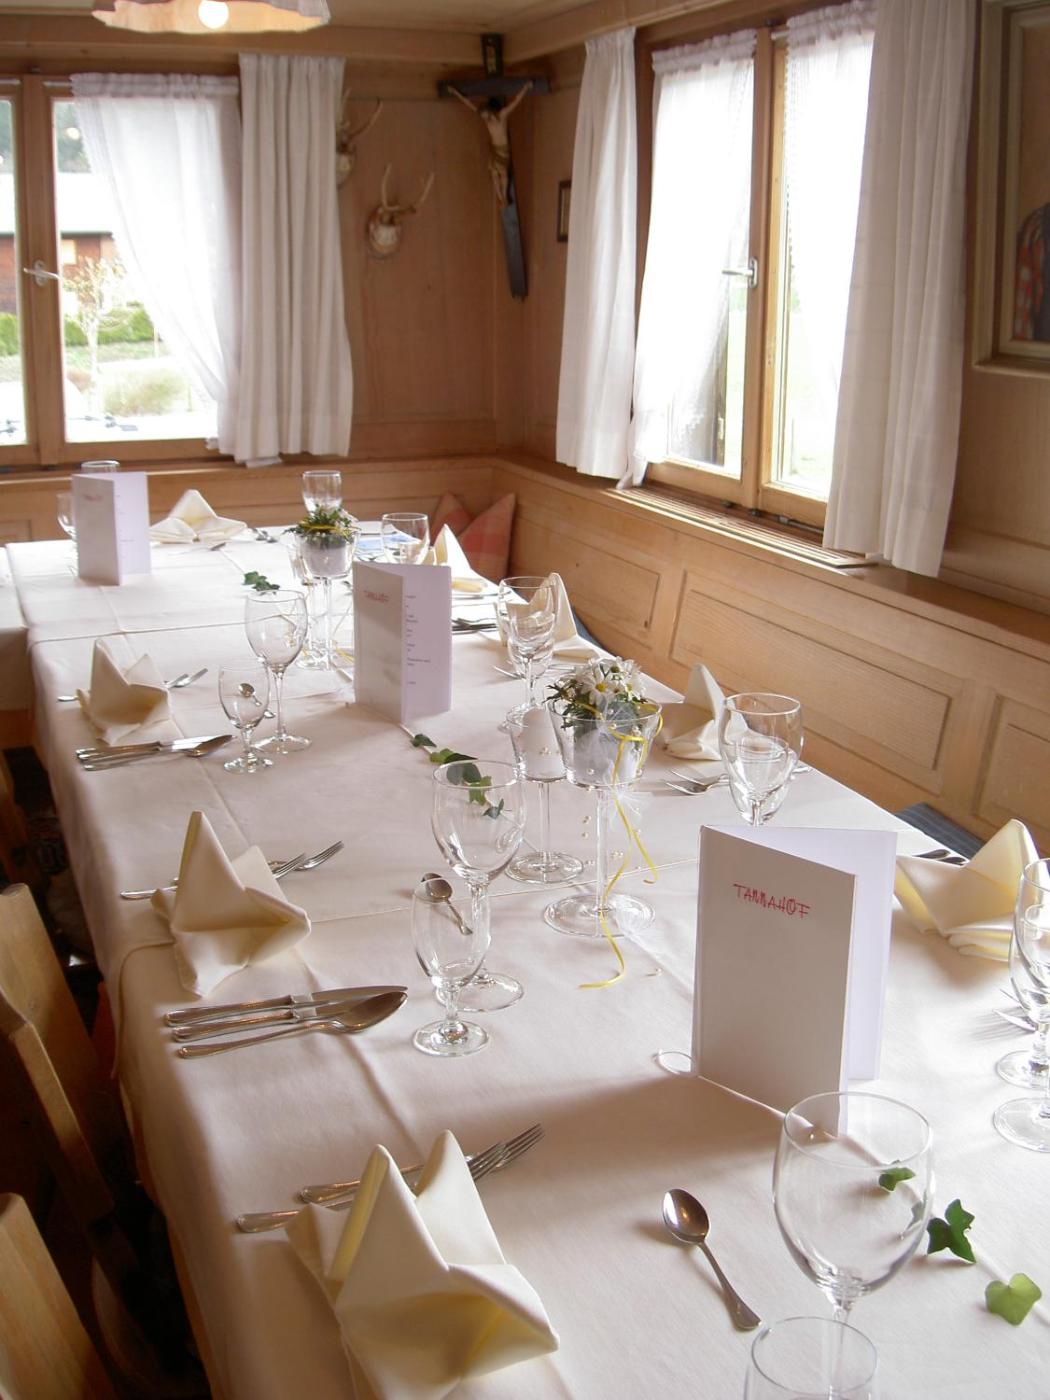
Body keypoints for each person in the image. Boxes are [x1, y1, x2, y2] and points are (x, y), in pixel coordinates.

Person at [449, 81, 533, 207]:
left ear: (490, 111)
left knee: (503, 173)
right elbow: (469, 104)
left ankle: (504, 196)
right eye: (483, 116)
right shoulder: (486, 119)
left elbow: (515, 102)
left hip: (503, 149)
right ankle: (500, 197)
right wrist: (456, 93)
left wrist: (525, 88)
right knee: (494, 174)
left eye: (486, 115)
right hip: (494, 148)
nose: (485, 118)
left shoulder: (502, 115)